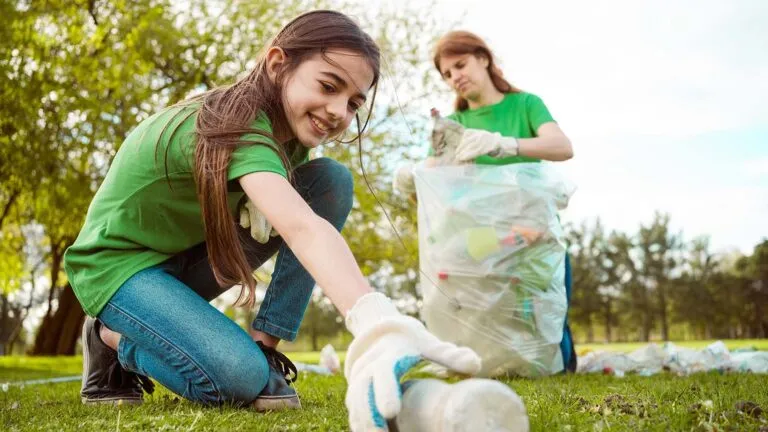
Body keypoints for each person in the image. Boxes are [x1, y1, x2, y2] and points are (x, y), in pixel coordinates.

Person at [65, 10, 526, 431]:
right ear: (277, 64)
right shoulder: (235, 123)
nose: (338, 112)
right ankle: (111, 337)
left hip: (181, 262)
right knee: (237, 380)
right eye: (329, 86)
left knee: (329, 181)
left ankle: (265, 347)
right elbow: (304, 229)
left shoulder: (290, 142)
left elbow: (312, 215)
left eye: (353, 103)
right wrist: (374, 320)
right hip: (120, 269)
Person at [394, 30, 577, 373]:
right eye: (447, 74)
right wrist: (413, 176)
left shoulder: (525, 105)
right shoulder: (455, 125)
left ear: (484, 58)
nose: (455, 78)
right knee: (487, 318)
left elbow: (562, 147)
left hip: (532, 233)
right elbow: (435, 182)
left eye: (460, 65)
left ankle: (557, 364)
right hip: (483, 241)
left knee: (547, 315)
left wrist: (505, 144)